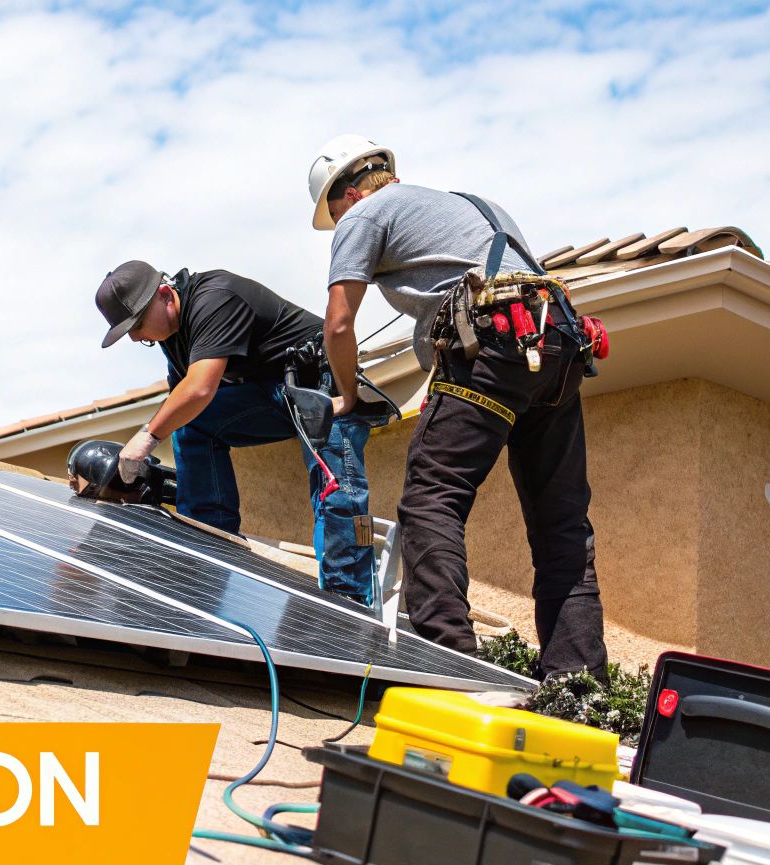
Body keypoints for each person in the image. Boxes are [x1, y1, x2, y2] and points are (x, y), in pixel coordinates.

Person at [308, 134, 608, 678]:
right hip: (559, 341)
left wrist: (348, 394)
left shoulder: (364, 214)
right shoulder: (471, 206)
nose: (337, 225)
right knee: (561, 522)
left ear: (348, 194)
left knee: (432, 499)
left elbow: (338, 324)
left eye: (333, 214)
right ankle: (578, 679)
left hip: (494, 338)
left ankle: (445, 660)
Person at [92, 259, 382, 603]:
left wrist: (147, 435)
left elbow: (200, 388)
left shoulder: (215, 298)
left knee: (336, 491)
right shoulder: (172, 336)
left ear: (166, 295)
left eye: (138, 323)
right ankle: (209, 545)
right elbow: (185, 403)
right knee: (192, 424)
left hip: (324, 391)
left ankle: (345, 603)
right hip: (273, 395)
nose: (139, 336)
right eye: (131, 333)